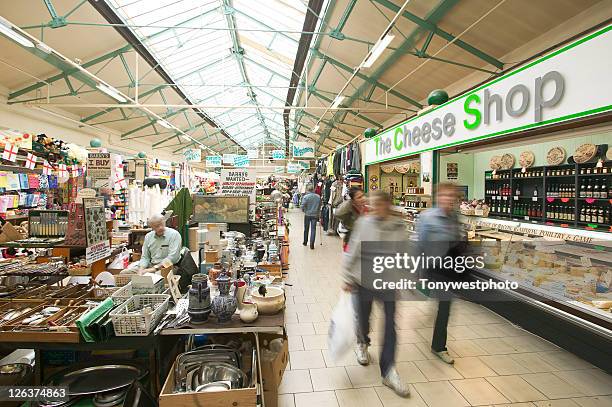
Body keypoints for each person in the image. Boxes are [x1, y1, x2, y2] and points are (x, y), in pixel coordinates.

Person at [342, 191, 410, 397]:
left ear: (388, 205)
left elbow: (404, 254)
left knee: (390, 325)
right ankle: (362, 343)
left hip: (388, 283)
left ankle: (388, 370)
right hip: (363, 282)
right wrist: (347, 277)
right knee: (363, 319)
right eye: (373, 204)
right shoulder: (364, 223)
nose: (374, 208)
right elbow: (352, 250)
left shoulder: (399, 227)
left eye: (379, 204)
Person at [416, 182, 465, 364]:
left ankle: (438, 346)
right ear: (437, 197)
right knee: (444, 303)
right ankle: (439, 347)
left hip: (449, 268)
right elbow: (420, 245)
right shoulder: (426, 217)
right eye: (445, 195)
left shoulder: (454, 217)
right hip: (433, 267)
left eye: (452, 196)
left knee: (445, 306)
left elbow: (458, 241)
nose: (448, 199)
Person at [335, 187, 367, 251]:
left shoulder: (367, 208)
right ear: (353, 200)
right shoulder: (349, 209)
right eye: (359, 197)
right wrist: (349, 202)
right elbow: (338, 213)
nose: (363, 198)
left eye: (363, 195)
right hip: (352, 243)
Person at [301, 184, 321, 249]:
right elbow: (319, 206)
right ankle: (312, 244)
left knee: (306, 229)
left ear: (307, 190)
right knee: (313, 229)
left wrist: (304, 210)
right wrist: (318, 213)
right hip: (315, 215)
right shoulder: (318, 197)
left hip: (307, 214)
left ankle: (305, 242)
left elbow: (302, 206)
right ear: (313, 189)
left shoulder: (306, 197)